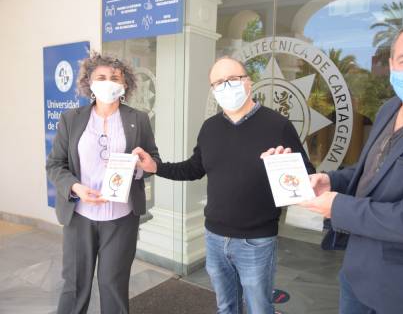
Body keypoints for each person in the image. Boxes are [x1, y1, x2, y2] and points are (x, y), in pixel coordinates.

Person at [266, 19, 403, 314]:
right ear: (392, 64)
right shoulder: (390, 108)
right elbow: (370, 169)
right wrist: (331, 181)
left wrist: (336, 206)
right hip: (357, 271)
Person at [133, 56, 315, 314]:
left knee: (259, 308)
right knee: (226, 307)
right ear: (213, 90)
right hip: (215, 237)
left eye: (232, 79)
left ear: (248, 83)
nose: (226, 86)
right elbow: (193, 168)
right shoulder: (210, 128)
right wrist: (157, 167)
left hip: (256, 240)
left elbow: (307, 176)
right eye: (218, 82)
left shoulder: (277, 125)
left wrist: (286, 169)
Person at [46, 52, 160, 314]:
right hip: (79, 218)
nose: (108, 82)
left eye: (114, 77)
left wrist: (143, 167)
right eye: (101, 77)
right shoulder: (71, 118)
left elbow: (152, 160)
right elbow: (55, 165)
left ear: (124, 84)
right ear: (90, 82)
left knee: (114, 285)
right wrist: (75, 187)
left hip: (121, 218)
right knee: (75, 286)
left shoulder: (138, 119)